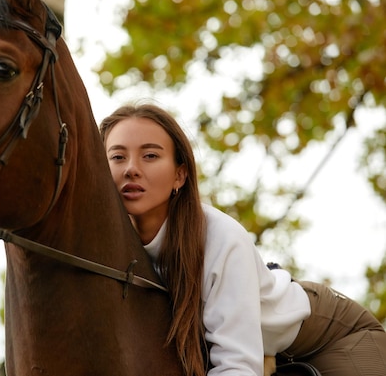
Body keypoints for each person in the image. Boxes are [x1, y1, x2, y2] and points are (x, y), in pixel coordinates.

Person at [99, 103, 386, 376]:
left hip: (330, 337)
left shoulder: (220, 237)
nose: (131, 169)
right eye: (117, 157)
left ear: (180, 175)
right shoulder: (106, 245)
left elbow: (237, 366)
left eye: (150, 155)